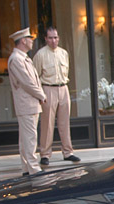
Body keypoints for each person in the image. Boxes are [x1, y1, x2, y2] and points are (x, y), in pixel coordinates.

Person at [34, 27, 80, 166]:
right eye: (50, 38)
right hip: (48, 88)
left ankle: (68, 152)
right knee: (47, 123)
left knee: (64, 122)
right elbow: (35, 76)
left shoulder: (64, 53)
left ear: (58, 38)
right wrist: (40, 94)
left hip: (63, 88)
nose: (53, 40)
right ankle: (45, 154)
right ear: (46, 39)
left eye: (55, 37)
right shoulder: (40, 55)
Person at [7, 27, 46, 176]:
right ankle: (34, 168)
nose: (31, 42)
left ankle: (26, 168)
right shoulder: (17, 59)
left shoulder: (22, 57)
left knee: (26, 139)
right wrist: (41, 95)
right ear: (23, 41)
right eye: (30, 39)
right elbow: (27, 82)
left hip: (30, 104)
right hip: (27, 104)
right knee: (30, 139)